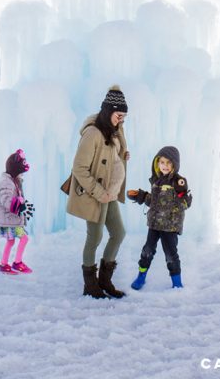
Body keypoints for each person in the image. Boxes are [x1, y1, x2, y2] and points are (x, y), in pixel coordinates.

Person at [67, 85, 130, 298]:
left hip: (109, 193)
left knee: (118, 233)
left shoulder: (114, 131)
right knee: (94, 237)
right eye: (118, 115)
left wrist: (122, 155)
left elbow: (111, 158)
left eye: (123, 117)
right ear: (108, 110)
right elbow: (79, 168)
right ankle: (90, 285)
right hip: (96, 194)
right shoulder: (92, 133)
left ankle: (105, 280)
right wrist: (98, 191)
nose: (121, 120)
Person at [128, 145, 192, 289]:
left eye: (169, 163)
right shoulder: (156, 180)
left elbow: (184, 203)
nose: (165, 166)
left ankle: (177, 283)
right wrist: (141, 196)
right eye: (162, 162)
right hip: (155, 224)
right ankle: (141, 277)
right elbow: (155, 202)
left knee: (170, 254)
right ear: (157, 163)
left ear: (175, 165)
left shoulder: (178, 182)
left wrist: (184, 199)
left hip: (170, 226)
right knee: (147, 250)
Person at [0, 149, 35, 274]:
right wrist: (18, 205)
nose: (22, 175)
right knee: (24, 239)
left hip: (10, 218)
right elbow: (6, 199)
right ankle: (17, 263)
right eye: (21, 172)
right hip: (8, 218)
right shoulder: (6, 182)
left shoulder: (12, 180)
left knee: (11, 241)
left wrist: (21, 203)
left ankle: (4, 264)